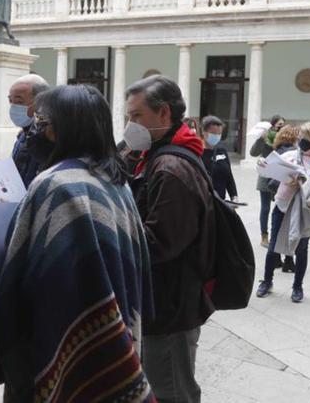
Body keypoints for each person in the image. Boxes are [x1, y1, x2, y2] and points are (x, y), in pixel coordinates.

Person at [0, 85, 154, 402]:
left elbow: (17, 279)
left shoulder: (54, 185)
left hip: (60, 352)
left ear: (62, 129)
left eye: (41, 122)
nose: (35, 130)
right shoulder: (116, 182)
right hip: (115, 339)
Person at [124, 75, 213, 403]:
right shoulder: (158, 155)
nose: (129, 125)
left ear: (163, 114)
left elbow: (159, 243)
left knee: (171, 390)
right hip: (164, 302)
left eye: (136, 116)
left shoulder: (170, 168)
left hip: (170, 307)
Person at [255, 123, 310, 303]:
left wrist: (305, 184)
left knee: (302, 248)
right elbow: (269, 171)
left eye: (304, 139)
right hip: (283, 205)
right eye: (299, 138)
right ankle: (267, 282)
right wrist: (263, 165)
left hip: (306, 210)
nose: (300, 142)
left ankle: (297, 287)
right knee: (273, 246)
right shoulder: (289, 155)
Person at [8, 73, 53, 186]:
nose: (13, 107)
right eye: (10, 101)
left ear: (40, 103)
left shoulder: (51, 139)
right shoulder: (22, 136)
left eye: (19, 101)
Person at [269, 125, 301, 273]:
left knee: (276, 229)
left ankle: (275, 259)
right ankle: (288, 260)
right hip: (289, 195)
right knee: (289, 229)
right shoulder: (294, 154)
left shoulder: (277, 151)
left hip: (278, 194)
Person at [251, 115, 286, 248]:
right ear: (272, 125)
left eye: (282, 124)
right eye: (278, 124)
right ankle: (264, 236)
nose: (280, 127)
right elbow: (253, 153)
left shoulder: (285, 139)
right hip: (266, 177)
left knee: (280, 208)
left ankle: (276, 235)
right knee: (265, 208)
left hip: (280, 178)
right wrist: (261, 139)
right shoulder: (265, 138)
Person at [200, 115, 238, 201]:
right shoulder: (197, 153)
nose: (216, 136)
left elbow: (229, 176)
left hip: (220, 202)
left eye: (219, 134)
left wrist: (234, 196)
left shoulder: (222, 150)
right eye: (213, 133)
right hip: (204, 202)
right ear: (204, 132)